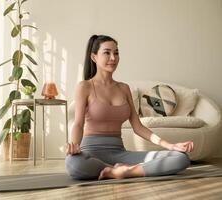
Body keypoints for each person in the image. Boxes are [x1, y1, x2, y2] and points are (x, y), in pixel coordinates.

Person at [65, 35, 194, 180]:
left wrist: (170, 146)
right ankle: (117, 169)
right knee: (73, 163)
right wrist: (74, 146)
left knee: (180, 158)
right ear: (94, 57)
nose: (113, 58)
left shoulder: (124, 88)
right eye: (107, 53)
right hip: (91, 153)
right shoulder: (85, 87)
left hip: (120, 153)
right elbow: (78, 123)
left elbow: (138, 127)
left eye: (116, 53)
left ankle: (125, 172)